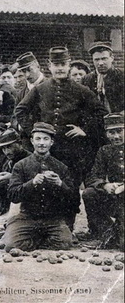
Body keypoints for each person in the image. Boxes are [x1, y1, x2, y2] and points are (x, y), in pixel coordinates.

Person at [15, 46, 107, 230]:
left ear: (69, 64)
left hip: (73, 150)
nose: (60, 68)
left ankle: (68, 225)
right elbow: (21, 110)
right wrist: (35, 131)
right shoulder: (41, 89)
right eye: (56, 64)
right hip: (49, 150)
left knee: (70, 187)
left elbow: (100, 112)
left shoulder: (80, 90)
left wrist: (84, 129)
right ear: (49, 66)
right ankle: (50, 226)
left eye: (63, 64)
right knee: (48, 185)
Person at [4, 122, 75, 252]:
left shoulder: (61, 167)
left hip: (53, 218)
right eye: (38, 139)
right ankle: (40, 239)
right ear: (31, 141)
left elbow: (72, 199)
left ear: (51, 142)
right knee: (10, 245)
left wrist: (60, 184)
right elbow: (13, 195)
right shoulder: (20, 166)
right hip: (27, 217)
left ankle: (37, 239)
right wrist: (32, 183)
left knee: (65, 243)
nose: (41, 143)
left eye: (45, 139)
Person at [81, 113, 124, 250]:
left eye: (119, 131)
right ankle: (105, 233)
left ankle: (117, 233)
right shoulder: (104, 151)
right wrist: (105, 185)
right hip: (116, 199)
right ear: (106, 134)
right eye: (112, 132)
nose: (116, 136)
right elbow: (93, 176)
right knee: (89, 193)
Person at [0, 128, 30, 243]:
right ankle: (16, 230)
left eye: (9, 146)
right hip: (9, 209)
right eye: (3, 148)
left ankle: (17, 231)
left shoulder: (30, 159)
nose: (6, 151)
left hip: (27, 207)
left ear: (20, 144)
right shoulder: (8, 163)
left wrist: (12, 178)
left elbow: (34, 185)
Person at [82, 41, 124, 113]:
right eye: (97, 59)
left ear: (112, 58)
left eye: (104, 59)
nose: (100, 63)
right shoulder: (86, 80)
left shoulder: (122, 76)